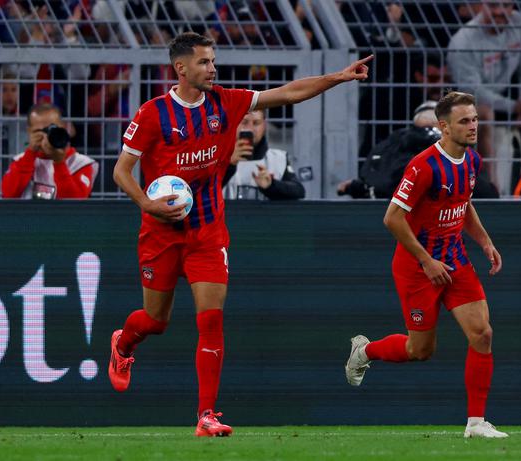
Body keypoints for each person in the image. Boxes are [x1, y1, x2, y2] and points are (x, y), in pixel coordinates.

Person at [109, 31, 370, 437]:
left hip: (207, 234)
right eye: (203, 62)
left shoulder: (226, 102)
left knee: (211, 320)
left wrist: (337, 77)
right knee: (155, 322)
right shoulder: (153, 113)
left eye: (213, 61)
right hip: (160, 233)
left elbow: (289, 93)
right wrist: (146, 203)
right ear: (181, 68)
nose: (213, 68)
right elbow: (121, 171)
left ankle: (206, 415)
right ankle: (123, 344)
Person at [345, 91, 508, 439]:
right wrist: (426, 260)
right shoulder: (423, 166)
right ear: (444, 127)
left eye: (475, 119)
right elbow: (392, 218)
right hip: (418, 268)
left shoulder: (472, 160)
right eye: (465, 121)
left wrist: (485, 241)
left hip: (455, 260)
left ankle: (476, 424)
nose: (473, 126)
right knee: (420, 350)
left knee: (483, 333)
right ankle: (366, 350)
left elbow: (462, 204)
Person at [447, 0, 521, 194]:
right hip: (471, 108)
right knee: (486, 119)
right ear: (482, 5)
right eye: (493, 5)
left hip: (509, 105)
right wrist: (514, 106)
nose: (500, 11)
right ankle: (492, 192)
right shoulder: (462, 41)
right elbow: (472, 91)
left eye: (506, 5)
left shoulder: (519, 23)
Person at [341, 101, 498, 199]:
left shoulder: (393, 143)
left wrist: (358, 188)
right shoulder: (458, 148)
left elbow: (377, 183)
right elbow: (488, 193)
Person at [1, 103, 98, 199]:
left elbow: (75, 204)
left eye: (52, 130)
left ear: (63, 128)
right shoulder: (20, 161)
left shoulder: (81, 163)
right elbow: (8, 195)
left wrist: (59, 163)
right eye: (39, 131)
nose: (46, 136)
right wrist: (30, 154)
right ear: (29, 131)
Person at [223, 109, 305, 200]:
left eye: (256, 123)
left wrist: (271, 185)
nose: (250, 129)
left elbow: (299, 191)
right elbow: (205, 189)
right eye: (244, 122)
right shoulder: (215, 156)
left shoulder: (278, 158)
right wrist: (229, 166)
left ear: (264, 125)